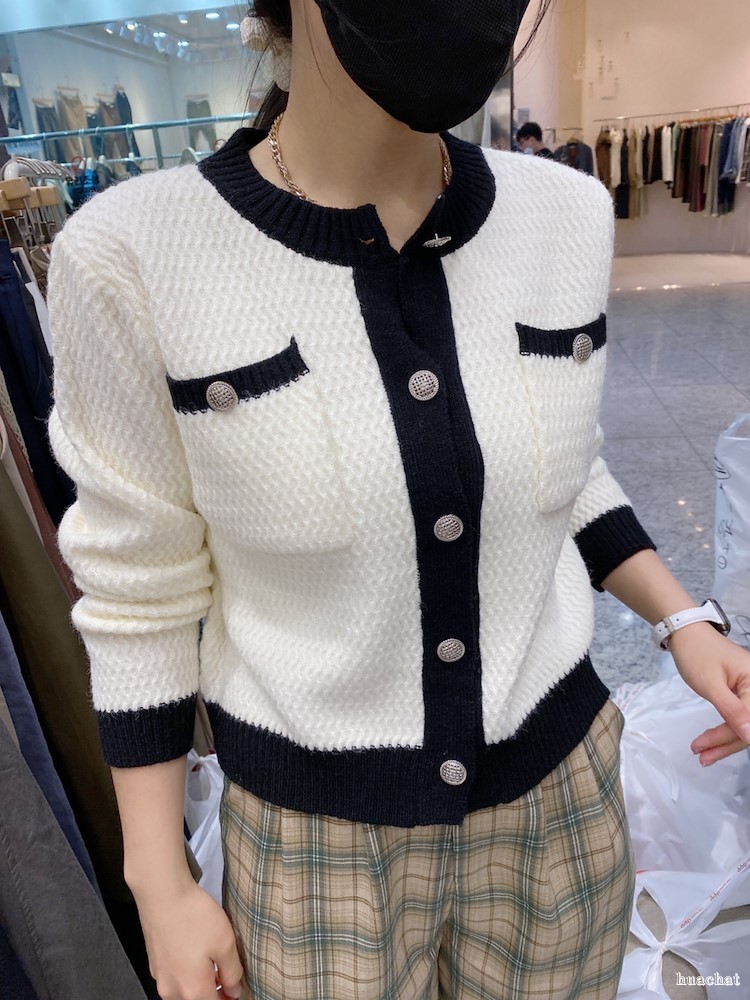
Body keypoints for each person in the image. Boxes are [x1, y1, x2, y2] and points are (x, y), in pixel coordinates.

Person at [47, 2, 750, 999]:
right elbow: (139, 594)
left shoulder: (566, 214)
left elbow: (562, 470)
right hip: (313, 850)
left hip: (561, 814)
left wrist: (682, 621)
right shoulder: (132, 255)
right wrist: (157, 880)